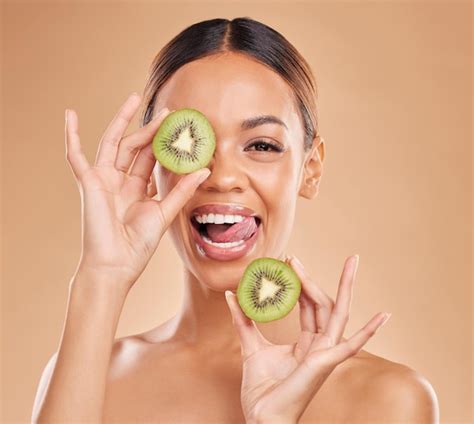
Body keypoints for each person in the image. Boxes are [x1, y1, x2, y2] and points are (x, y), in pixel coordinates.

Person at [32, 17, 439, 423]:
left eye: (261, 144)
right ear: (153, 161)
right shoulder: (89, 381)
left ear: (310, 168)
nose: (222, 176)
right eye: (193, 144)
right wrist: (102, 275)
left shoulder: (387, 401)